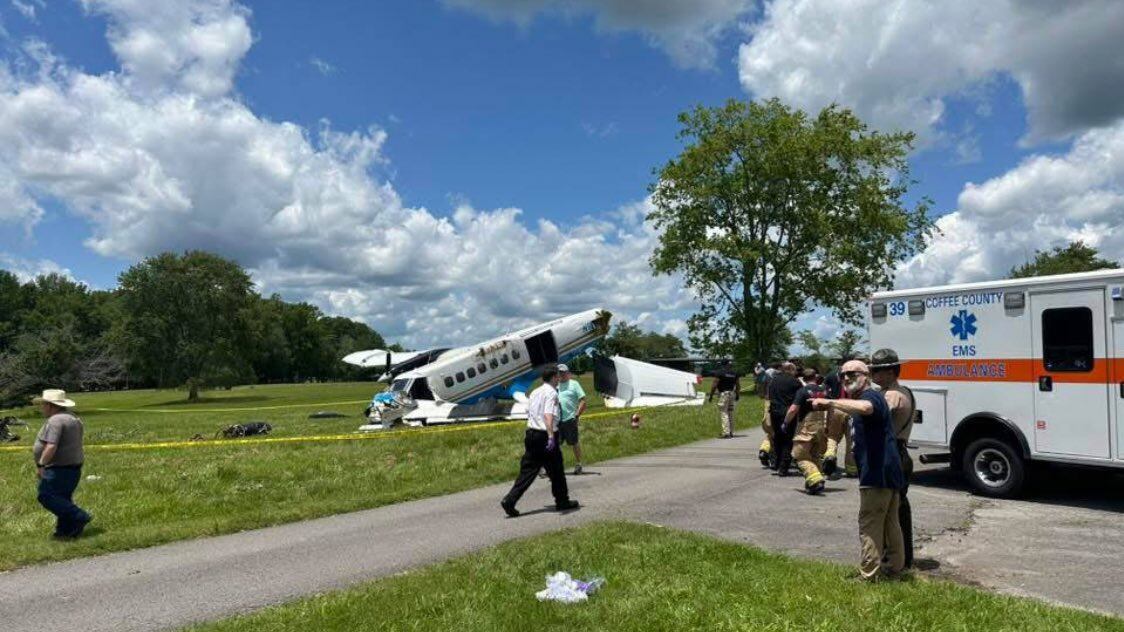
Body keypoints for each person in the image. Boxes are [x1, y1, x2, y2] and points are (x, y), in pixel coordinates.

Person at [812, 360, 905, 580]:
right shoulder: (869, 396)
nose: (846, 378)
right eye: (843, 375)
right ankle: (893, 568)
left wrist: (829, 402)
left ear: (866, 376)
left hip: (877, 471)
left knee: (869, 522)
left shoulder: (870, 397)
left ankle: (869, 575)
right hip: (887, 470)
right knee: (890, 522)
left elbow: (866, 409)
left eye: (852, 374)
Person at [501, 366, 579, 517]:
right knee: (557, 471)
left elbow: (528, 412)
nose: (559, 380)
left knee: (528, 471)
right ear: (554, 378)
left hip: (531, 434)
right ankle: (562, 501)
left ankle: (510, 500)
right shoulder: (552, 393)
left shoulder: (535, 392)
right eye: (558, 377)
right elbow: (548, 414)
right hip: (546, 435)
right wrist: (550, 436)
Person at [870, 348, 917, 569]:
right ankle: (904, 557)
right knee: (899, 508)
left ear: (889, 372)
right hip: (900, 452)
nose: (873, 375)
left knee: (890, 510)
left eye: (877, 370)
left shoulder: (891, 395)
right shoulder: (905, 390)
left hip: (892, 453)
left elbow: (876, 419)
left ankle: (896, 558)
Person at [32, 389, 92, 539]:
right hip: (73, 468)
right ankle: (65, 531)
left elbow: (51, 446)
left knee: (46, 495)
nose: (42, 408)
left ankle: (80, 516)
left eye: (43, 404)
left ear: (51, 405)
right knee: (63, 499)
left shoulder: (55, 421)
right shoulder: (73, 418)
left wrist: (41, 465)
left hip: (58, 468)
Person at [784, 368, 828, 494]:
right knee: (815, 455)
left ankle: (815, 479)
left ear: (803, 379)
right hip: (821, 425)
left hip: (807, 426)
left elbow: (793, 409)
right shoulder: (824, 391)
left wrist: (786, 422)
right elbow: (831, 408)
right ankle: (814, 482)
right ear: (816, 377)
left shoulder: (802, 391)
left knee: (799, 455)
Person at [767, 362, 801, 474]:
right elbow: (799, 399)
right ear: (791, 369)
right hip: (788, 413)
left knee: (777, 437)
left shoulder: (773, 380)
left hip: (774, 412)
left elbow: (768, 395)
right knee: (788, 439)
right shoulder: (795, 382)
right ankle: (784, 466)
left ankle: (776, 462)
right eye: (795, 370)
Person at [556, 364, 588, 475]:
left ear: (568, 373)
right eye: (559, 372)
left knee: (574, 442)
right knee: (555, 444)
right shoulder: (555, 386)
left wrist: (577, 415)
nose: (561, 374)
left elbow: (583, 400)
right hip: (557, 420)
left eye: (563, 372)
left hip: (570, 418)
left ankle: (579, 464)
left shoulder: (574, 384)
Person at [708, 362, 740, 439]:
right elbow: (738, 385)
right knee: (730, 413)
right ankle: (731, 431)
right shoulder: (734, 373)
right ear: (729, 365)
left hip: (724, 394)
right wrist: (738, 395)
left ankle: (726, 433)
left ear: (723, 365)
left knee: (724, 413)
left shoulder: (720, 373)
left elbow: (714, 385)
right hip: (731, 394)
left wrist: (711, 395)